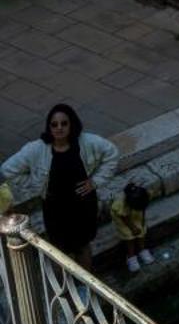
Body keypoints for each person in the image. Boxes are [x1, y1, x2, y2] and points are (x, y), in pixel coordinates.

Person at [1, 104, 119, 271]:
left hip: (83, 205)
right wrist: (34, 185)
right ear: (49, 127)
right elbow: (8, 169)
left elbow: (112, 153)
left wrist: (95, 181)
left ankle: (85, 285)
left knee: (82, 246)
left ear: (72, 125)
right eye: (54, 124)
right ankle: (66, 286)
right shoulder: (37, 149)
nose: (59, 128)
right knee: (59, 249)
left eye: (64, 123)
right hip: (55, 208)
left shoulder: (87, 142)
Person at [109, 179, 154, 273]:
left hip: (135, 213)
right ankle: (131, 256)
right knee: (129, 236)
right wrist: (133, 228)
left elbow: (143, 209)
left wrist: (141, 223)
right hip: (122, 217)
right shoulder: (122, 205)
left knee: (141, 231)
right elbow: (124, 217)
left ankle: (142, 250)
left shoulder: (143, 196)